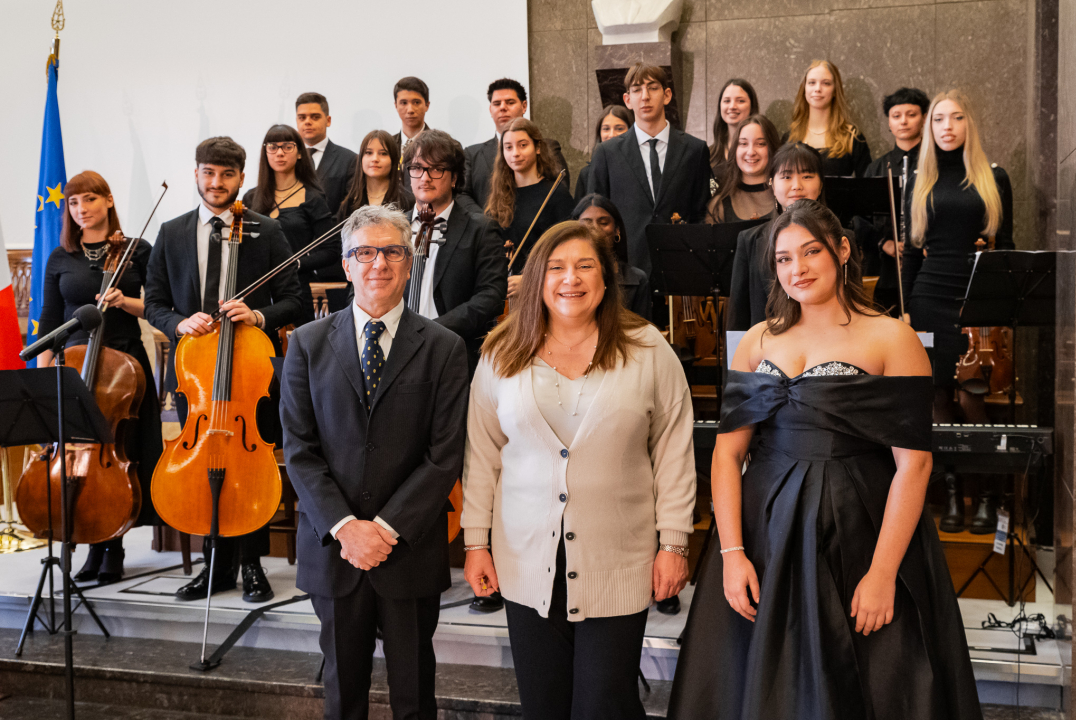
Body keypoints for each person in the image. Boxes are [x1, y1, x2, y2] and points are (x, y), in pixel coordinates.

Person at [668, 199, 982, 720]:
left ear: (841, 250)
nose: (798, 269)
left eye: (810, 252)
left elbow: (915, 465)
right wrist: (730, 553)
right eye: (784, 259)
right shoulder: (755, 341)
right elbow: (727, 456)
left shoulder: (890, 336)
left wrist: (883, 573)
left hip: (859, 526)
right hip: (766, 531)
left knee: (865, 679)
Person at [462, 220, 696, 720]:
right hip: (524, 559)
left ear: (606, 278)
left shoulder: (648, 348)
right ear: (536, 279)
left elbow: (674, 451)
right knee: (543, 707)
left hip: (619, 558)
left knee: (603, 707)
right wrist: (475, 542)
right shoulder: (501, 350)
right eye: (557, 267)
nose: (571, 278)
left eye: (585, 266)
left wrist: (674, 543)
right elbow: (481, 455)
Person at [281, 204, 470, 720]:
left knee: (414, 696)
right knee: (343, 696)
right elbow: (299, 448)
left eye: (391, 252)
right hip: (334, 549)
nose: (378, 264)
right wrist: (346, 528)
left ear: (409, 263)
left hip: (407, 548)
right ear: (346, 265)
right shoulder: (307, 344)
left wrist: (384, 529)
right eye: (365, 252)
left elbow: (444, 454)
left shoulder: (444, 348)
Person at [144, 136, 304, 604]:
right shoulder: (172, 233)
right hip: (195, 373)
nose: (216, 183)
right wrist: (178, 322)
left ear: (240, 179)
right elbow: (154, 302)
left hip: (251, 371)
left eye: (227, 175)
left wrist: (257, 316)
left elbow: (295, 298)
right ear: (196, 173)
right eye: (209, 173)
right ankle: (215, 567)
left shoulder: (265, 231)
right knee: (205, 466)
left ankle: (252, 565)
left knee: (245, 465)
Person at [38, 171, 162, 584]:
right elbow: (50, 322)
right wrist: (44, 385)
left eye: (89, 200)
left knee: (119, 451)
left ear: (108, 201)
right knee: (80, 453)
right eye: (73, 203)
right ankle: (91, 543)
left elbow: (160, 308)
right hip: (74, 365)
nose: (81, 209)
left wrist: (125, 301)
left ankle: (114, 545)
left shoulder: (135, 250)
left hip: (123, 364)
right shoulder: (60, 258)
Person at [904, 89, 1012, 428]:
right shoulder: (919, 181)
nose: (946, 126)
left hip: (976, 300)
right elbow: (910, 254)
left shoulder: (994, 177)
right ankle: (941, 480)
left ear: (969, 125)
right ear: (929, 127)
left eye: (956, 117)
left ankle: (974, 481)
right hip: (929, 298)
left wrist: (1003, 309)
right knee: (934, 396)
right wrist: (906, 312)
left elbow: (1006, 246)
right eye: (938, 119)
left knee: (972, 396)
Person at [588, 62, 713, 281]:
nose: (644, 96)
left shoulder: (695, 150)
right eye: (637, 89)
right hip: (625, 273)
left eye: (652, 88)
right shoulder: (607, 153)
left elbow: (701, 213)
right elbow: (594, 217)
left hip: (680, 272)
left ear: (666, 95)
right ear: (627, 100)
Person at [402, 129, 507, 374]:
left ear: (454, 178)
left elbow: (490, 296)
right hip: (397, 349)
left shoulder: (480, 229)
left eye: (436, 168)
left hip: (453, 351)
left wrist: (433, 330)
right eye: (417, 168)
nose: (425, 178)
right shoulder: (393, 228)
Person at [243, 124, 335, 326]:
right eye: (273, 147)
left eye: (287, 147)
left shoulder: (313, 197)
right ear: (265, 152)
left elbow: (330, 249)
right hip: (258, 289)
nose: (279, 153)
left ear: (300, 153)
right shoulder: (250, 198)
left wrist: (297, 264)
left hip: (297, 287)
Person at [727, 142, 824, 330]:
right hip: (767, 349)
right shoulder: (750, 240)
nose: (797, 186)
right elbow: (738, 317)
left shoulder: (841, 239)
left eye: (807, 176)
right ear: (771, 182)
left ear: (821, 184)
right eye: (786, 176)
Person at [485, 118, 576, 298]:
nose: (515, 153)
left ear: (538, 147)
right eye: (508, 147)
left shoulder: (556, 194)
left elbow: (567, 251)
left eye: (523, 145)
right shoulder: (499, 195)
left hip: (543, 293)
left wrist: (530, 280)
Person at [862, 87, 930, 315]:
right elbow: (859, 217)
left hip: (926, 267)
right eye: (896, 116)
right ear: (889, 123)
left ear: (923, 119)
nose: (904, 122)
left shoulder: (935, 165)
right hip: (885, 271)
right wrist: (885, 243)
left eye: (911, 115)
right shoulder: (876, 168)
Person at [463, 78, 569, 211]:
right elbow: (462, 195)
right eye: (496, 103)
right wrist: (485, 222)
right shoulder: (472, 154)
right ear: (490, 110)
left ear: (524, 106)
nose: (502, 107)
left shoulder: (548, 147)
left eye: (510, 102)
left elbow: (560, 188)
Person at [784, 61, 871, 177]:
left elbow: (868, 189)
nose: (818, 89)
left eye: (826, 83)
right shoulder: (789, 138)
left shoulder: (852, 137)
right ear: (804, 88)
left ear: (835, 90)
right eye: (811, 83)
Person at [571, 193, 650, 318]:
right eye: (587, 222)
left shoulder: (637, 279)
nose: (595, 228)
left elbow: (642, 331)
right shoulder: (568, 278)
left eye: (603, 223)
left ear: (617, 230)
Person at [295, 93, 357, 229]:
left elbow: (349, 210)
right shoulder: (286, 159)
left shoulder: (349, 159)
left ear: (328, 120)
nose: (307, 122)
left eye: (315, 117)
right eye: (302, 117)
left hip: (331, 239)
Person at [706, 115, 780, 224]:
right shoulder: (718, 206)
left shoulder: (789, 197)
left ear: (772, 148)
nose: (751, 152)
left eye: (760, 144)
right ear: (735, 149)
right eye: (743, 144)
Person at [338, 130, 415, 221]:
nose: (375, 159)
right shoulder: (349, 203)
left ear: (393, 160)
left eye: (383, 153)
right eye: (368, 153)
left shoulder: (406, 201)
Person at [574, 105, 633, 202]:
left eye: (619, 129)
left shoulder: (640, 169)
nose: (612, 134)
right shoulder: (586, 174)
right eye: (606, 129)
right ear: (599, 133)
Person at [709, 79, 759, 177]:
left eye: (740, 101)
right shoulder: (708, 154)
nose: (732, 106)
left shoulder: (764, 152)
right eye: (727, 101)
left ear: (752, 106)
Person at [392, 76, 432, 160]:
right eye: (403, 103)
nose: (410, 110)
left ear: (427, 105)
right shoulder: (386, 146)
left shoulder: (445, 146)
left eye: (416, 102)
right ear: (396, 105)